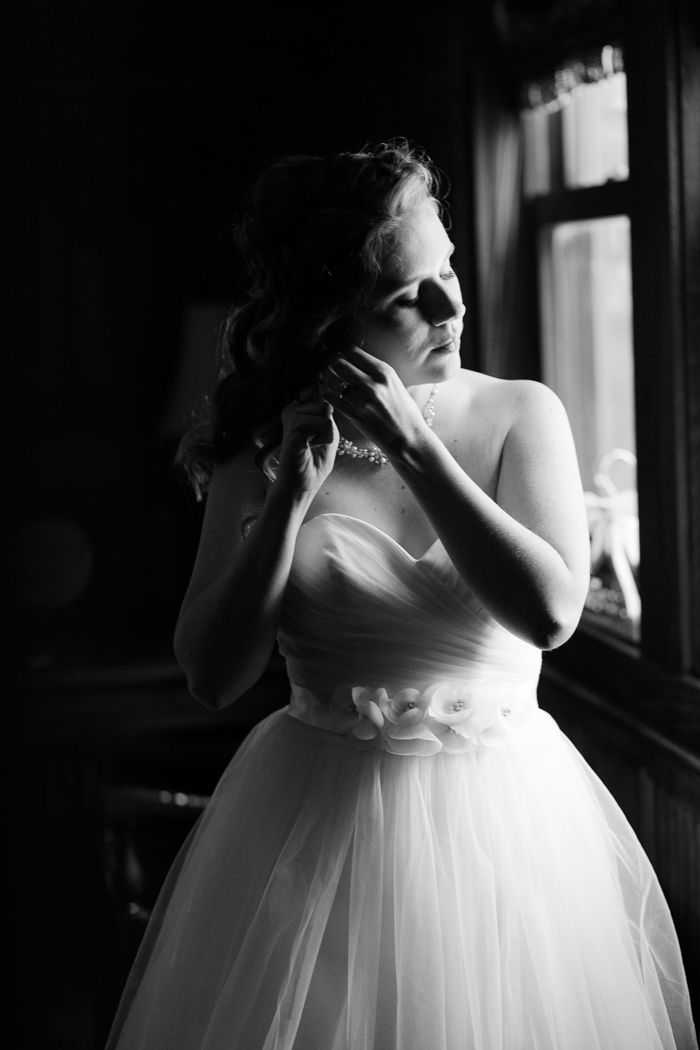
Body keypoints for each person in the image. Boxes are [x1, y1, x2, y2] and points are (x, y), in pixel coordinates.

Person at [106, 142, 697, 1050]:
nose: (452, 304)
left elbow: (551, 614)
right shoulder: (258, 446)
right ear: (330, 323)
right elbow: (213, 676)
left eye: (448, 269)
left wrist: (419, 454)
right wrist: (290, 504)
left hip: (508, 828)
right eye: (406, 295)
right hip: (314, 828)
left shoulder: (519, 415)